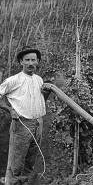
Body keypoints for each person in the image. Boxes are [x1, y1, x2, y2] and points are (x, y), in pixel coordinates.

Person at [0, 46, 52, 185]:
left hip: (38, 122)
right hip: (22, 123)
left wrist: (46, 94)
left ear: (38, 62)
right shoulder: (13, 80)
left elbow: (39, 101)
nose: (30, 63)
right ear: (21, 62)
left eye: (33, 60)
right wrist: (10, 110)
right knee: (17, 161)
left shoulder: (39, 79)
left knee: (31, 159)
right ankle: (11, 182)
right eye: (27, 60)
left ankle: (26, 182)